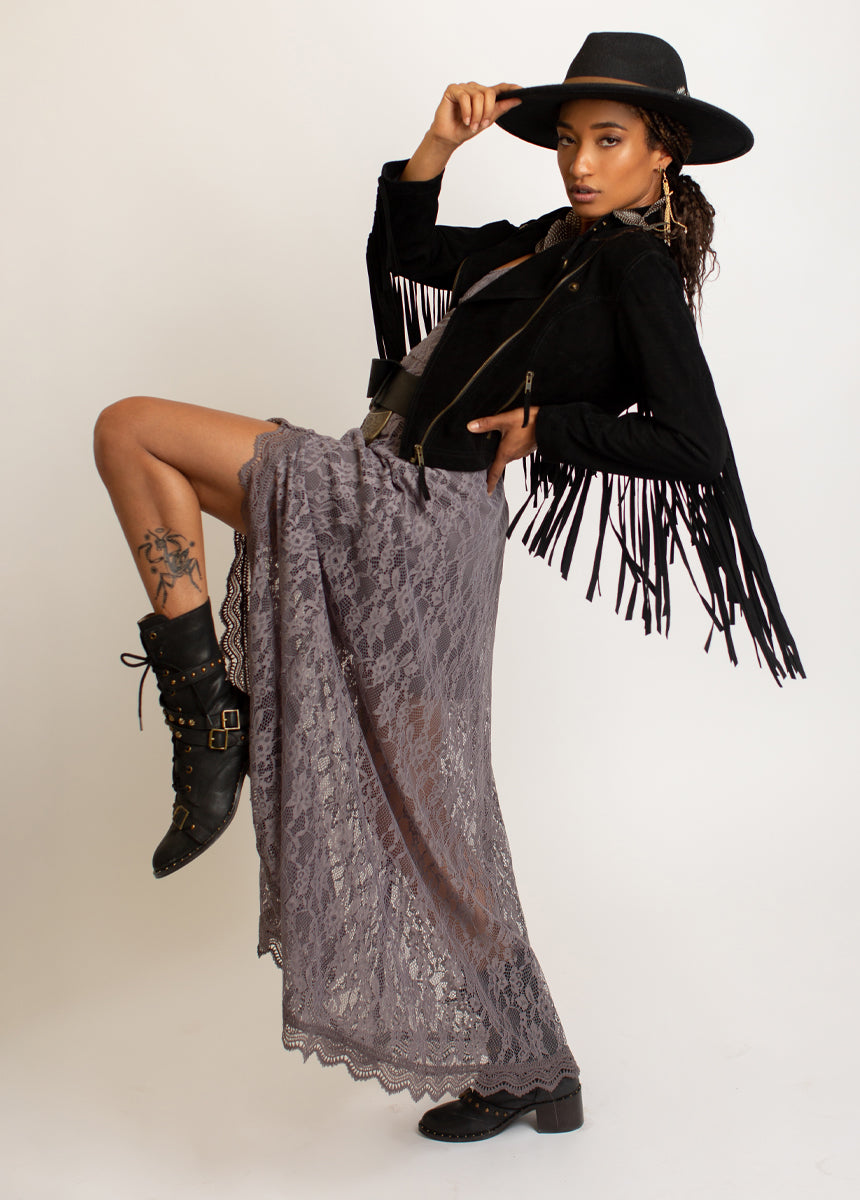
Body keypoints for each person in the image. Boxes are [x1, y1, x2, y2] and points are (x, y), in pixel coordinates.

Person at [94, 32, 803, 1144]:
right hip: (399, 499)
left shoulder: (634, 269)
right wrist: (436, 146)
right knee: (437, 816)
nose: (580, 162)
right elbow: (408, 251)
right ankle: (537, 1068)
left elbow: (695, 445)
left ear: (660, 152)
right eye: (568, 142)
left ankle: (210, 720)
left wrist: (549, 426)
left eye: (607, 141)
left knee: (132, 428)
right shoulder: (541, 244)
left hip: (418, 516)